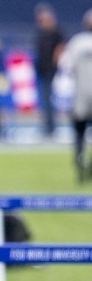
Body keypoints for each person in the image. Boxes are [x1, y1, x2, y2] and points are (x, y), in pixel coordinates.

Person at [58, 10, 92, 181]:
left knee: (79, 134)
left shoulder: (77, 42)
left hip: (81, 96)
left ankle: (80, 164)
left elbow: (65, 65)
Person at [33, 3, 65, 141]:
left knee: (49, 99)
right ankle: (48, 126)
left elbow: (61, 47)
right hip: (42, 69)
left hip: (52, 70)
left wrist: (56, 61)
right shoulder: (40, 33)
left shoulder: (56, 32)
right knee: (44, 100)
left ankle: (51, 127)